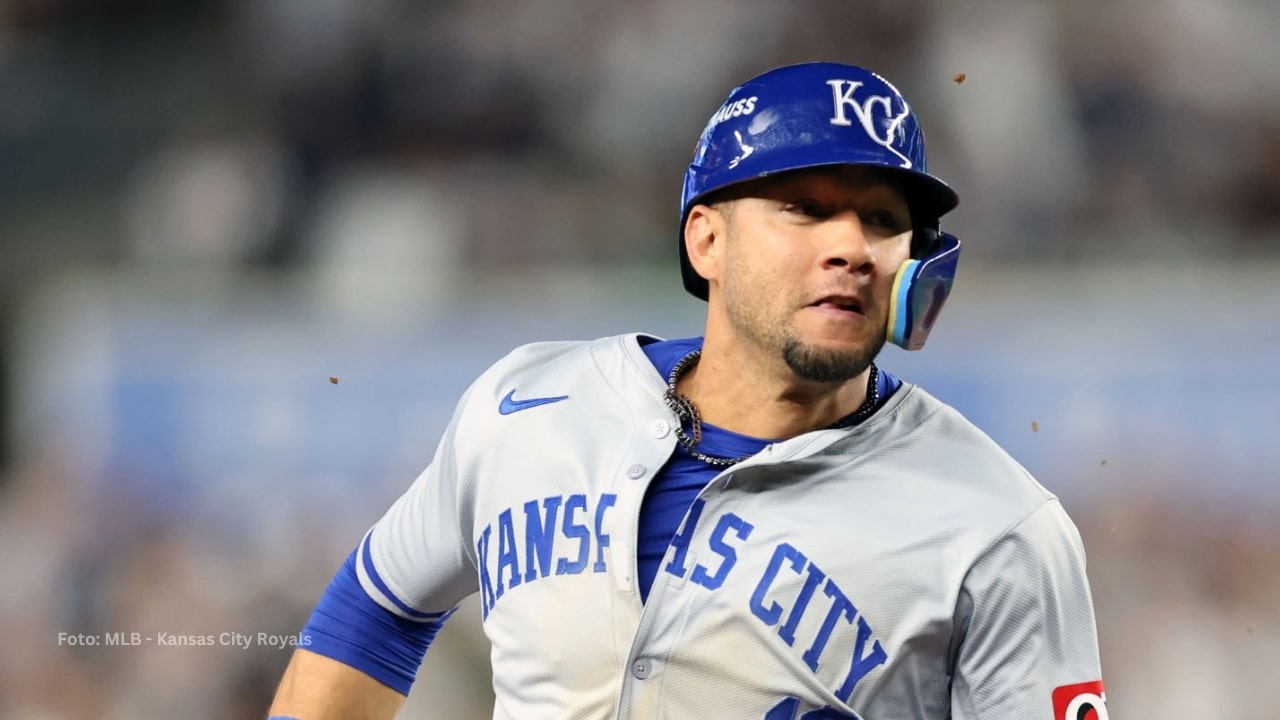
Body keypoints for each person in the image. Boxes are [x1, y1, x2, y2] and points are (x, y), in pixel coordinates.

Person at [268, 62, 1106, 720]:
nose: (853, 246)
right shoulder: (529, 407)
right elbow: (372, 613)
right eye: (805, 207)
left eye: (884, 220)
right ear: (706, 240)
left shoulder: (1000, 530)